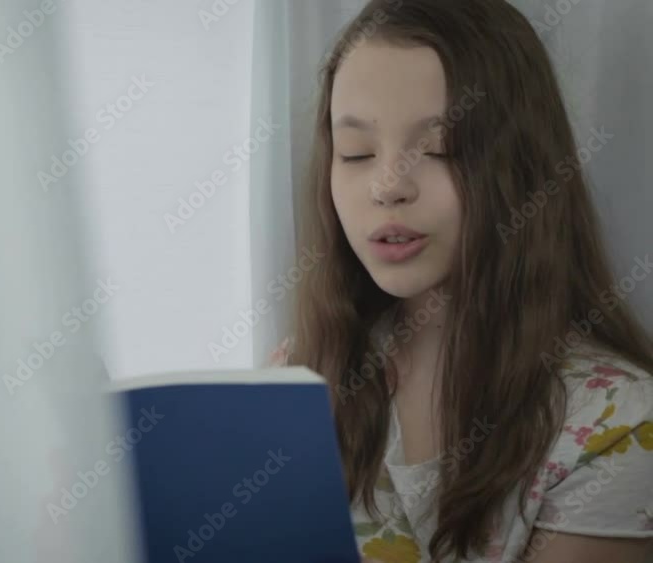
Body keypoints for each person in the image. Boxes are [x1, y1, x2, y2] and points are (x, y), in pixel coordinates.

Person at [273, 0, 653, 561]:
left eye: (438, 147)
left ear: (521, 167)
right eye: (355, 153)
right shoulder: (306, 379)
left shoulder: (615, 424)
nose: (387, 186)